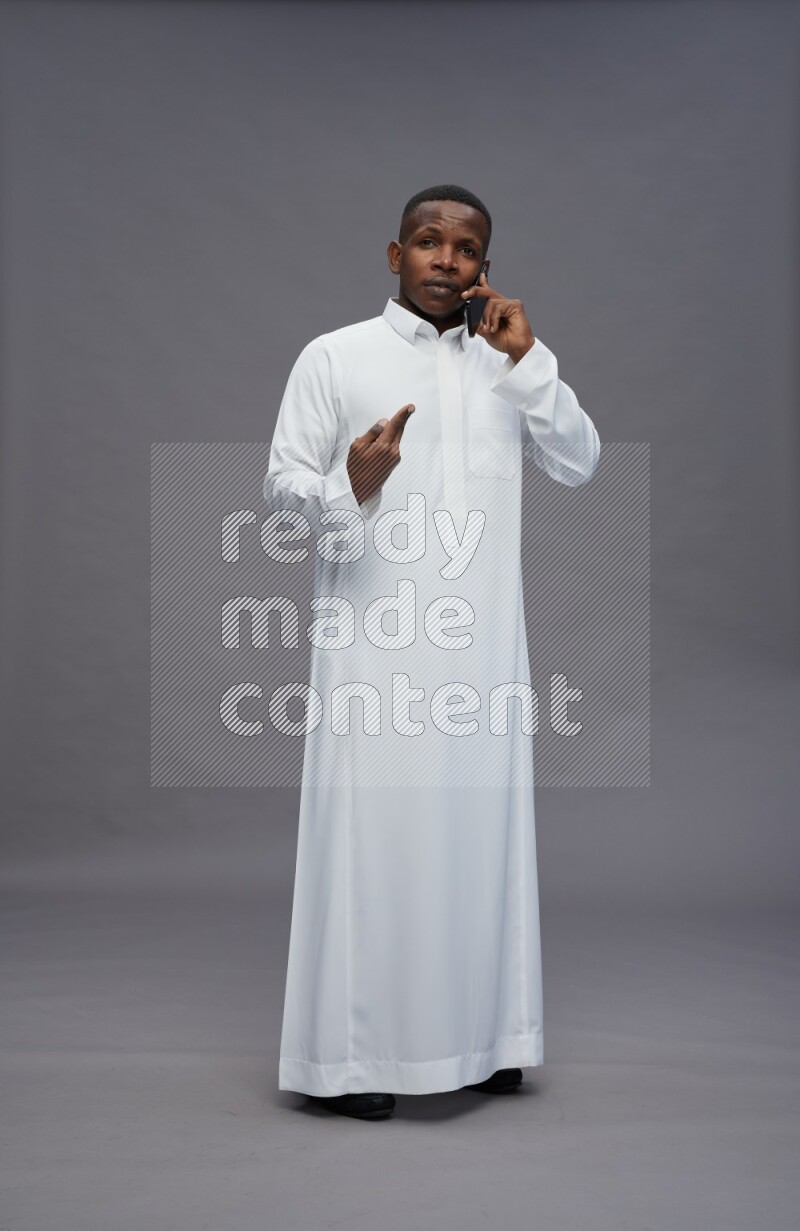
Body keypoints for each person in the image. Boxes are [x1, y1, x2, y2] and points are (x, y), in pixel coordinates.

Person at [263, 184, 600, 1120]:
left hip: (484, 654)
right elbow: (282, 487)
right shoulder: (335, 356)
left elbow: (580, 460)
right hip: (375, 649)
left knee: (482, 841)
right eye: (427, 242)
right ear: (393, 254)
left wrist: (529, 360)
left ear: (484, 263)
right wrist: (352, 481)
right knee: (378, 848)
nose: (445, 259)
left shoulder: (511, 363)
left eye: (464, 246)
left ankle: (492, 1038)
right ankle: (357, 1060)